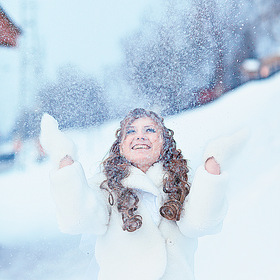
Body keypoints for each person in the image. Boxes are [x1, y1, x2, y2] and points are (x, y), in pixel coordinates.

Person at [40, 108, 245, 280]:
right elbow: (79, 219)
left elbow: (200, 224)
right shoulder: (105, 186)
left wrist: (212, 168)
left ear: (164, 142)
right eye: (130, 131)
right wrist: (64, 160)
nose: (140, 135)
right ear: (120, 146)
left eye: (149, 130)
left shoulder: (181, 182)